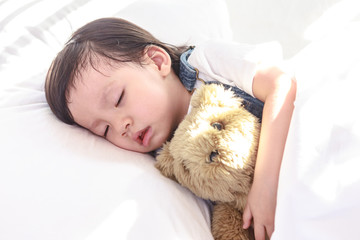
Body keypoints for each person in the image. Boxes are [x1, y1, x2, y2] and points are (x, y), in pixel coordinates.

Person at [45, 17, 296, 240]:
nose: (121, 126)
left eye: (118, 99)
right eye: (104, 130)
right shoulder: (166, 161)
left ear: (156, 61)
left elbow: (281, 85)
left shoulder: (206, 63)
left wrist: (265, 185)